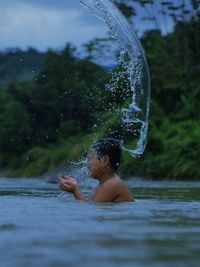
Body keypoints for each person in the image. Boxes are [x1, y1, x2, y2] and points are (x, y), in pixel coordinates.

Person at [58, 138, 134, 203]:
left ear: (104, 160)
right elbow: (89, 206)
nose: (87, 165)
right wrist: (74, 188)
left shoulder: (112, 184)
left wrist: (75, 190)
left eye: (89, 159)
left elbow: (89, 211)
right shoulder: (103, 184)